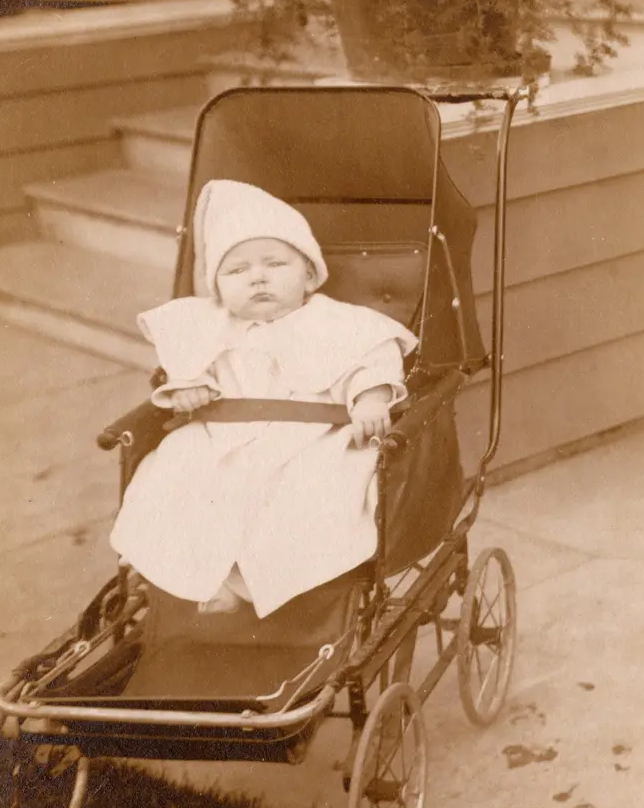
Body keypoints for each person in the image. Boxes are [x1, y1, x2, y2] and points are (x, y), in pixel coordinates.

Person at [110, 179, 418, 619]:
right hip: (220, 437)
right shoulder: (206, 326)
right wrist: (187, 387)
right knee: (174, 475)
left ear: (310, 274)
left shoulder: (340, 323)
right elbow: (184, 368)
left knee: (304, 495)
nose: (257, 277)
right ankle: (197, 576)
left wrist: (370, 398)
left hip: (312, 441)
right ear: (216, 287)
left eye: (275, 263)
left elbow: (372, 358)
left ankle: (245, 584)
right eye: (236, 271)